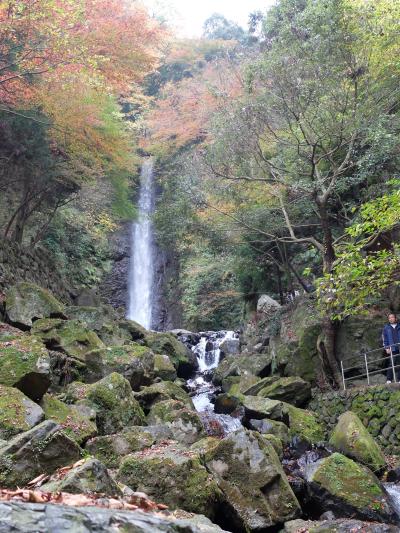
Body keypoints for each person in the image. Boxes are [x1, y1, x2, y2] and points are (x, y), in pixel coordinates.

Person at [382, 313, 400, 383]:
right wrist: (386, 348)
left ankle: (399, 379)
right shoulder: (386, 328)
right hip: (392, 348)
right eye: (389, 318)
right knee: (391, 363)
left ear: (395, 318)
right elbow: (385, 339)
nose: (391, 319)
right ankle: (389, 379)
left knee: (399, 363)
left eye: (392, 317)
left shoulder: (399, 326)